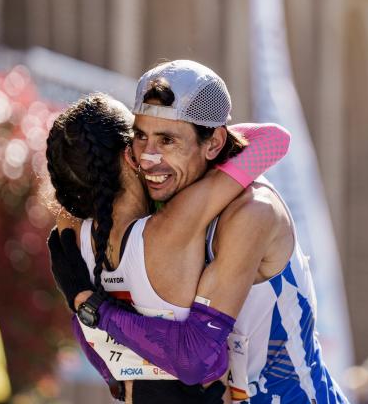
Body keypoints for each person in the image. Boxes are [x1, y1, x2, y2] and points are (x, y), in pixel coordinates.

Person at [50, 60, 348, 403]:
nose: (149, 157)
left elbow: (197, 357)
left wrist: (92, 309)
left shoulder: (251, 211)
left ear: (213, 143)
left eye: (167, 140)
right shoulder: (160, 205)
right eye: (141, 136)